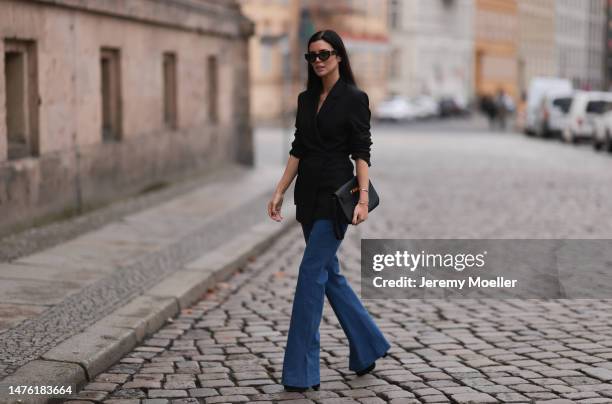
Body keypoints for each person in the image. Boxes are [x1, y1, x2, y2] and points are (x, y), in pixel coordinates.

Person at [267, 29, 391, 393]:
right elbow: (298, 149)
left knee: (310, 274)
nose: (318, 61)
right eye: (312, 56)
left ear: (339, 56)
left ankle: (300, 371)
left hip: (336, 198)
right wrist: (279, 191)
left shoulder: (355, 98)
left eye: (324, 54)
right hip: (307, 196)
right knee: (329, 275)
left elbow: (361, 152)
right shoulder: (306, 99)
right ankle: (368, 344)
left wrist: (364, 199)